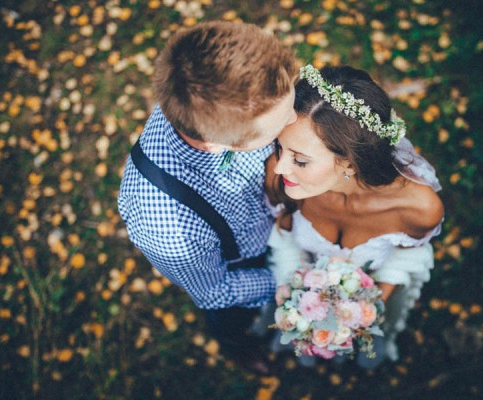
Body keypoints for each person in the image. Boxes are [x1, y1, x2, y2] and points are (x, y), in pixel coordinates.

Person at [117, 21, 298, 375]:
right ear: (213, 144)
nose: (294, 118)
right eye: (278, 125)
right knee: (230, 324)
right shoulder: (168, 224)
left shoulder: (232, 92)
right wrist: (293, 279)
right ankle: (240, 350)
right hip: (243, 267)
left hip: (281, 221)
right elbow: (214, 291)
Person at [264, 65, 444, 368]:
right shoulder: (281, 176)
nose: (280, 167)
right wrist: (296, 299)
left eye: (301, 160)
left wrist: (363, 312)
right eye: (280, 148)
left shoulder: (419, 209)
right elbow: (284, 237)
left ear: (349, 163)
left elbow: (407, 257)